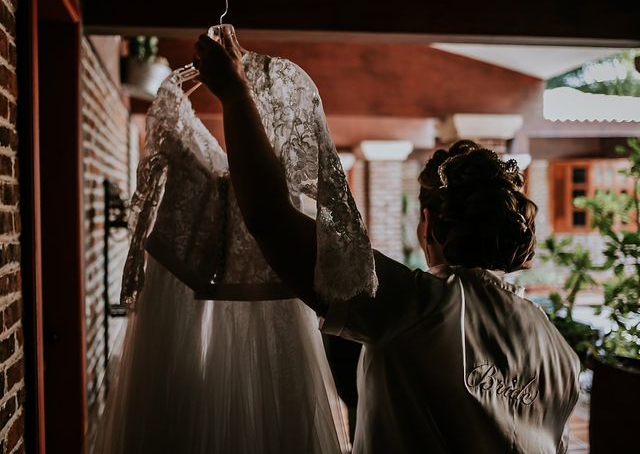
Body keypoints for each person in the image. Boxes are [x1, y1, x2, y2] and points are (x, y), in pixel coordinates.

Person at [193, 30, 580, 453]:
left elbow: (271, 220)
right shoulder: (560, 351)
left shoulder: (415, 306)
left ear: (427, 225)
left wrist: (234, 95)